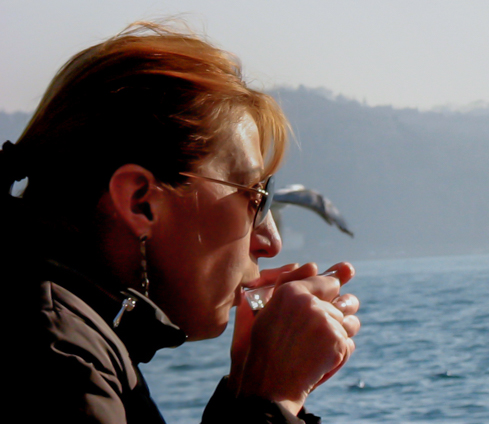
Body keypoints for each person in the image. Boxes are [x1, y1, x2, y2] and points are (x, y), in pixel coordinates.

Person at [6, 22, 362, 423]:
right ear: (141, 202)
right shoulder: (55, 353)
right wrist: (270, 400)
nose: (270, 242)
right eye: (254, 197)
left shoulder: (57, 326)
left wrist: (247, 388)